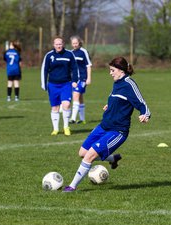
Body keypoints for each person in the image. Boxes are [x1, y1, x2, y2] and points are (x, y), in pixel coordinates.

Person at [63, 56, 151, 192]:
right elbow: (117, 99)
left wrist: (145, 115)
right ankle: (112, 158)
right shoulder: (117, 82)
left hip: (117, 131)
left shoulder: (129, 84)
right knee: (82, 152)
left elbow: (142, 103)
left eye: (112, 70)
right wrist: (109, 106)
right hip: (104, 126)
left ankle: (72, 186)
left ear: (121, 70)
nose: (110, 73)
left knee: (89, 156)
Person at [41, 36, 79, 136]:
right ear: (54, 45)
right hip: (52, 85)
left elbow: (75, 68)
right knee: (55, 107)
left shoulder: (69, 54)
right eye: (57, 44)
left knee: (66, 104)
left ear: (63, 44)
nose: (58, 46)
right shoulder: (49, 55)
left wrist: (75, 80)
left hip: (66, 84)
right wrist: (43, 83)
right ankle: (56, 129)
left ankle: (66, 127)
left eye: (60, 44)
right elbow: (44, 70)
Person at [69, 36, 92, 124]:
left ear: (79, 43)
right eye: (73, 43)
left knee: (75, 95)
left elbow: (88, 65)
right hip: (74, 79)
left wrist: (89, 78)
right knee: (80, 97)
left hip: (82, 78)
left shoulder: (83, 51)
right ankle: (82, 119)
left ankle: (73, 118)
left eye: (76, 43)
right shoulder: (70, 53)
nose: (75, 45)